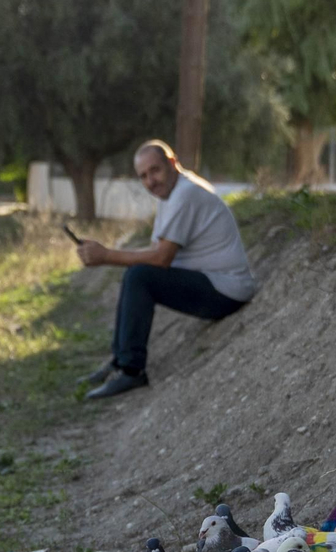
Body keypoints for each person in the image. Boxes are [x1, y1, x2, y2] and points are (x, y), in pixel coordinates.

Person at [74, 140, 257, 399]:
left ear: (172, 163)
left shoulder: (185, 194)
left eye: (155, 170)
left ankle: (131, 371)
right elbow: (154, 252)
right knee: (136, 273)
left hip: (227, 291)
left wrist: (105, 255)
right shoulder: (170, 194)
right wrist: (110, 254)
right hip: (215, 284)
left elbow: (161, 259)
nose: (151, 181)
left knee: (139, 276)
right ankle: (120, 360)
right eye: (143, 176)